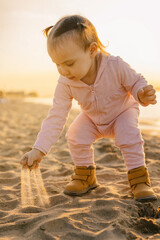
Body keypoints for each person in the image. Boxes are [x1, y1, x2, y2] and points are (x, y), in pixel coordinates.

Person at [20, 15, 157, 201]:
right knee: (75, 135)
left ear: (92, 50)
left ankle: (139, 178)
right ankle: (86, 175)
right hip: (93, 118)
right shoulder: (65, 82)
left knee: (128, 135)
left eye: (69, 63)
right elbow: (56, 116)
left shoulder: (115, 65)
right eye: (57, 64)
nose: (63, 70)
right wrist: (39, 149)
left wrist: (141, 93)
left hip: (122, 112)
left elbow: (136, 81)